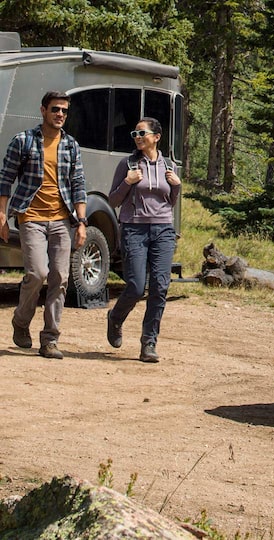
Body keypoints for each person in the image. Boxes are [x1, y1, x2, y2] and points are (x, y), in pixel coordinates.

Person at [0, 91, 87, 359]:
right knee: (37, 274)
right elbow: (5, 180)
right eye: (55, 109)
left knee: (60, 278)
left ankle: (50, 339)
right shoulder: (23, 141)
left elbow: (78, 185)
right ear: (43, 111)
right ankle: (21, 321)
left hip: (61, 219)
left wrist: (82, 222)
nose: (60, 114)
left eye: (64, 111)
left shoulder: (71, 145)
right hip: (31, 217)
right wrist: (2, 216)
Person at [106, 117, 181, 363]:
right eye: (135, 134)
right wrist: (127, 183)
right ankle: (116, 318)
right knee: (137, 287)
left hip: (163, 230)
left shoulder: (168, 165)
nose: (138, 138)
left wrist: (177, 187)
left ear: (157, 137)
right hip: (134, 230)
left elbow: (170, 201)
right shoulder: (127, 163)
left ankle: (149, 343)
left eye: (142, 133)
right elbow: (113, 201)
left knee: (160, 287)